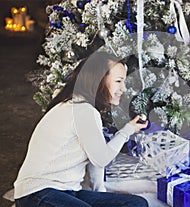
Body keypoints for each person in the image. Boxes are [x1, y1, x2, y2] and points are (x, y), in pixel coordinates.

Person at [13, 50, 149, 207]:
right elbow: (101, 158)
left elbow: (96, 160)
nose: (124, 88)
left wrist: (102, 197)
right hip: (37, 192)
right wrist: (127, 130)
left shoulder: (85, 108)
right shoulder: (81, 110)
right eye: (119, 81)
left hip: (68, 191)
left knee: (136, 204)